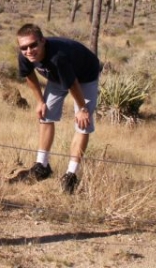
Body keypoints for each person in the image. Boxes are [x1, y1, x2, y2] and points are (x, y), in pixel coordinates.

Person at [11, 23, 100, 194]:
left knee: (83, 123)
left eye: (33, 45)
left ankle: (71, 175)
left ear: (43, 41)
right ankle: (42, 166)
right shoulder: (24, 56)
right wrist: (39, 101)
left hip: (85, 75)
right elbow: (29, 76)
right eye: (24, 47)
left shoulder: (58, 57)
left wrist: (82, 109)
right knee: (45, 114)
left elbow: (73, 84)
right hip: (57, 76)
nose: (29, 50)